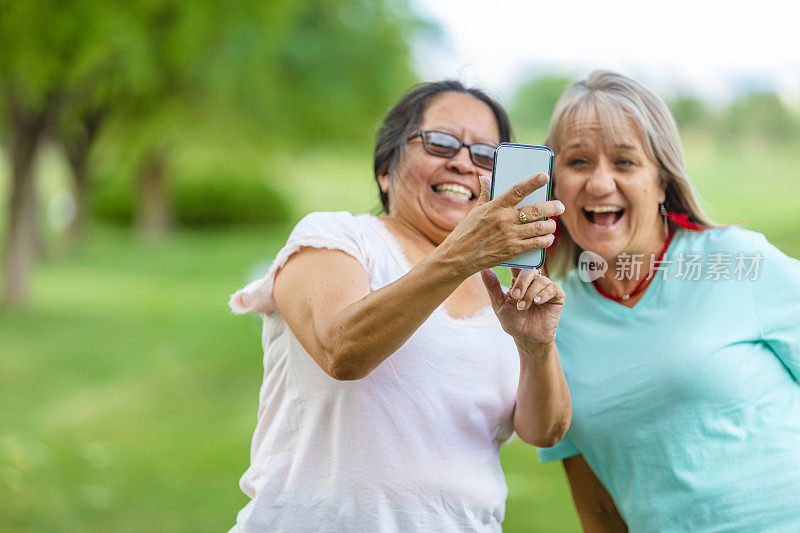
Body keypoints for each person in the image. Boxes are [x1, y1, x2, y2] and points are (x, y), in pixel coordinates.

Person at [227, 80, 572, 532]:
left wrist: (535, 347)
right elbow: (342, 350)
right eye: (441, 142)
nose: (463, 162)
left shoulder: (503, 291)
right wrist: (460, 254)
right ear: (386, 169)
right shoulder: (336, 238)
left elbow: (544, 430)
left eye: (485, 154)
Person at [518, 70, 800, 531]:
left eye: (625, 162)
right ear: (556, 184)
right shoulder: (550, 321)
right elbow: (599, 510)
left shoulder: (738, 262)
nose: (600, 182)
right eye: (579, 162)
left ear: (662, 181)